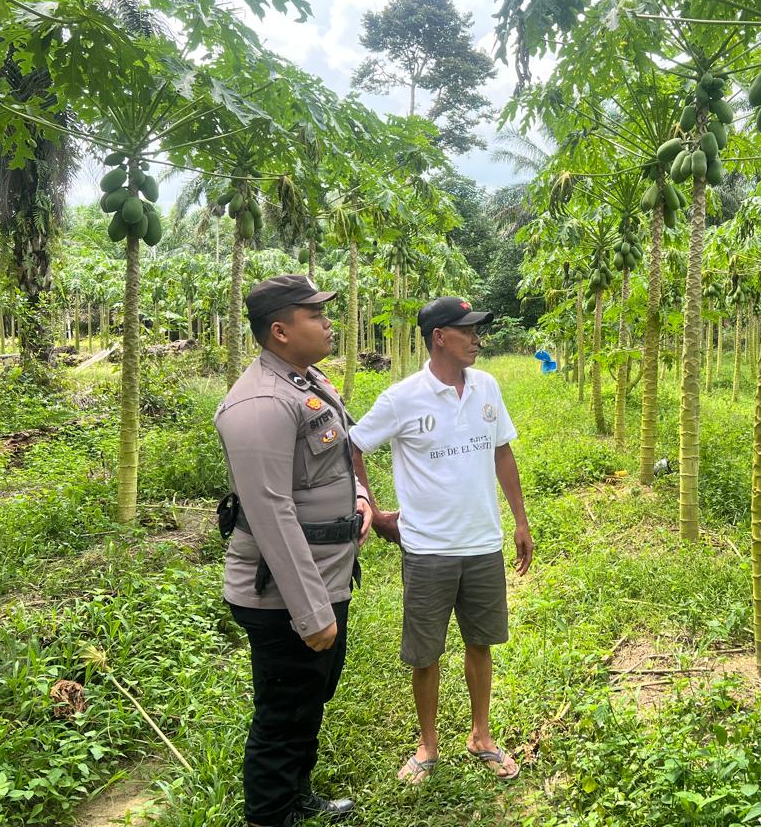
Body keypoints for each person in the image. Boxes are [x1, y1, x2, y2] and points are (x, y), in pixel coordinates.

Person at [350, 296, 534, 785]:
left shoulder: (488, 387)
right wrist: (368, 503)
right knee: (425, 652)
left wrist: (520, 520)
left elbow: (501, 454)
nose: (477, 339)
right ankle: (427, 746)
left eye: (477, 330)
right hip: (428, 549)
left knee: (481, 642)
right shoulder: (401, 398)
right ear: (439, 337)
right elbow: (352, 444)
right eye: (467, 331)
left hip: (481, 544)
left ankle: (481, 736)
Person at [215, 274, 375, 827]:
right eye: (315, 315)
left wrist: (359, 497)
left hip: (326, 574)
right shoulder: (259, 403)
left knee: (310, 698)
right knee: (283, 712)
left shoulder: (304, 381)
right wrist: (311, 613)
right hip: (284, 593)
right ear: (280, 331)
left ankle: (295, 795)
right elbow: (269, 513)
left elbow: (337, 458)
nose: (328, 322)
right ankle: (269, 816)